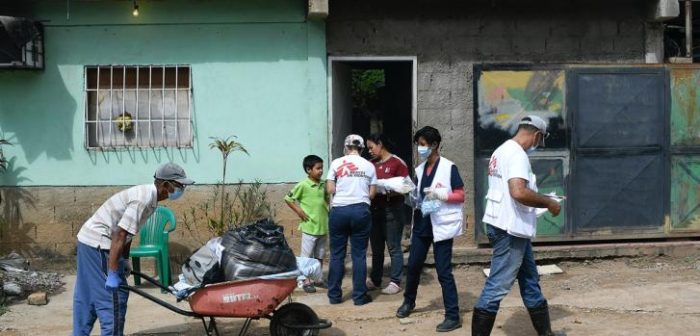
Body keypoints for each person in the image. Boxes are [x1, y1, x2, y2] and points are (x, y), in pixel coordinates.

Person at [73, 163, 194, 336]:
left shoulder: (149, 198)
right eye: (179, 185)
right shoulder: (143, 199)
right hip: (100, 244)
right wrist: (113, 272)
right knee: (114, 297)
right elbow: (119, 234)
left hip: (88, 241)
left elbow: (128, 233)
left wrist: (125, 259)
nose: (181, 189)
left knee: (87, 296)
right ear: (165, 185)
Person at [472, 115, 561, 336]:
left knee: (530, 280)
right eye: (540, 140)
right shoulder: (517, 154)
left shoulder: (501, 150)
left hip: (507, 225)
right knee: (497, 286)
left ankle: (546, 333)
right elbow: (518, 191)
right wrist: (548, 202)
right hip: (509, 230)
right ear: (537, 134)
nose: (538, 145)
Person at [396, 126, 465, 332]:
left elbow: (460, 195)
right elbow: (418, 198)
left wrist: (441, 195)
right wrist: (410, 194)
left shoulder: (449, 167)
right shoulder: (419, 170)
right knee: (414, 266)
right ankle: (409, 302)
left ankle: (453, 315)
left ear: (435, 145)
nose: (420, 148)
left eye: (423, 144)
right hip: (422, 223)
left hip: (441, 225)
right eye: (418, 144)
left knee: (444, 272)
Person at [326, 134, 377, 305]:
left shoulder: (336, 163)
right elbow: (372, 193)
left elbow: (330, 188)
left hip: (339, 210)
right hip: (360, 211)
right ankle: (359, 297)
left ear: (346, 147)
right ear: (361, 149)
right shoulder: (369, 166)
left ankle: (334, 296)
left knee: (336, 255)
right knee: (359, 256)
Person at [365, 134, 409, 295]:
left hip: (393, 211)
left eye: (371, 147)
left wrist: (388, 190)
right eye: (368, 148)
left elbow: (407, 187)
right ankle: (375, 279)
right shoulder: (370, 165)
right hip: (374, 210)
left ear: (380, 144)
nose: (369, 151)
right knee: (376, 248)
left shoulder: (397, 163)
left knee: (393, 247)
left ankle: (395, 281)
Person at [285, 154, 329, 293]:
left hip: (323, 227)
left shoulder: (324, 184)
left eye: (322, 168)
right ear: (308, 170)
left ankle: (318, 278)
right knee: (307, 256)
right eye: (318, 168)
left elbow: (327, 200)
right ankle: (305, 280)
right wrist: (298, 211)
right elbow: (288, 198)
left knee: (320, 255)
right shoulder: (303, 185)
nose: (321, 171)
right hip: (309, 227)